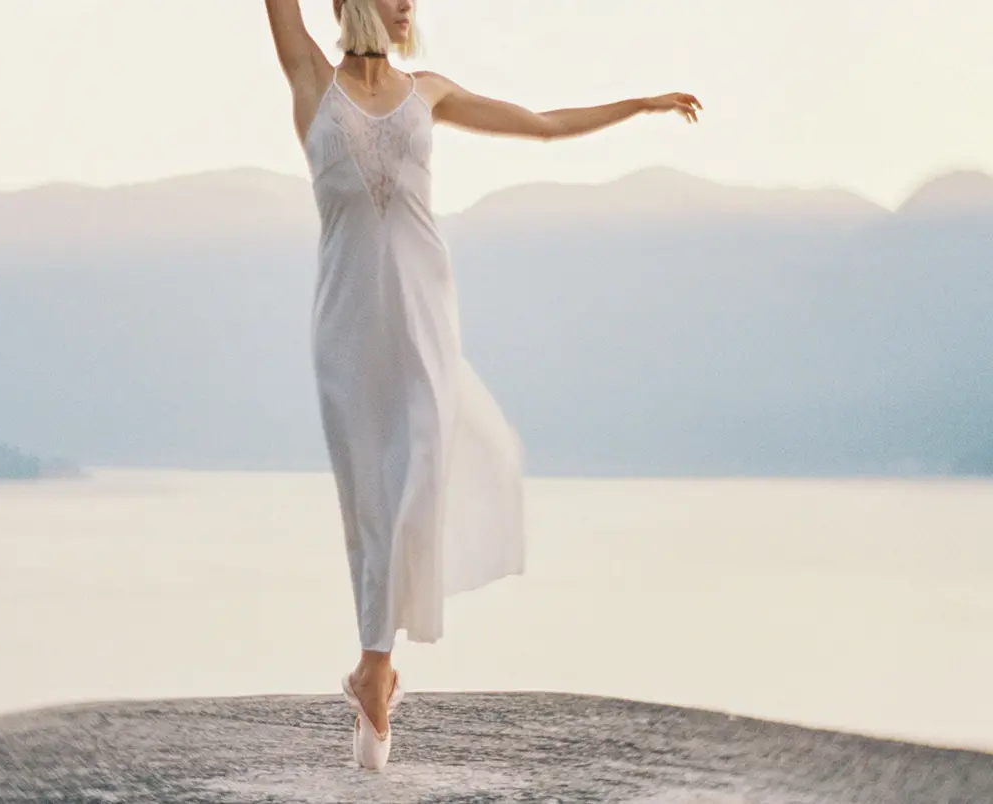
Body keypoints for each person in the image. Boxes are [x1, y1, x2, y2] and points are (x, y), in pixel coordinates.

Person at [264, 0, 701, 771]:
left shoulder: (429, 90)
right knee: (369, 499)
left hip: (426, 315)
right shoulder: (310, 77)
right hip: (346, 321)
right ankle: (377, 675)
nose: (408, 6)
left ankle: (375, 668)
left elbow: (540, 122)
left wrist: (640, 103)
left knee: (421, 474)